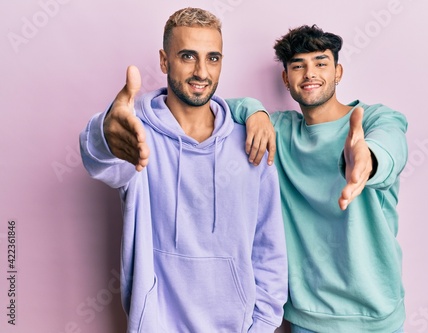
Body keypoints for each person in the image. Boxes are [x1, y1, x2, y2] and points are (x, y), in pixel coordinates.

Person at [79, 7, 288, 333]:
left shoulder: (251, 142)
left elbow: (270, 248)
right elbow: (98, 159)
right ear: (165, 61)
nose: (202, 72)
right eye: (188, 56)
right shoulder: (138, 135)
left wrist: (262, 326)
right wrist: (105, 132)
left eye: (213, 58)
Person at [227, 25, 408, 333]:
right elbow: (213, 112)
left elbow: (391, 148)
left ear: (338, 72)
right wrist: (253, 110)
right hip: (307, 317)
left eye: (321, 63)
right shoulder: (278, 130)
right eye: (298, 65)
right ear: (286, 79)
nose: (310, 73)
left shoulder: (375, 119)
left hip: (376, 314)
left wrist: (366, 160)